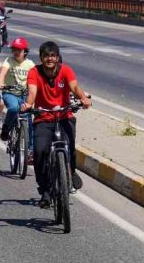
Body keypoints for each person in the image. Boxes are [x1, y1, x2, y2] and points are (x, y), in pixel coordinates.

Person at [20, 41, 92, 209]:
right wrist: (29, 104)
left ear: (58, 57)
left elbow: (74, 87)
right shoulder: (34, 72)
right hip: (43, 118)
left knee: (70, 146)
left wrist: (83, 98)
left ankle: (70, 171)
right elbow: (32, 91)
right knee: (39, 152)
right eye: (46, 56)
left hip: (64, 116)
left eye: (53, 56)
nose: (49, 59)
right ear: (41, 58)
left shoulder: (66, 70)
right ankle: (45, 191)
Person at [0, 37, 34, 141]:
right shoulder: (9, 60)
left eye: (19, 50)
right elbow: (2, 73)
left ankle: (30, 146)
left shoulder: (30, 64)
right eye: (14, 50)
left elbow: (36, 78)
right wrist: (0, 83)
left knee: (29, 118)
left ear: (25, 51)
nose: (16, 52)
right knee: (13, 108)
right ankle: (6, 128)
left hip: (24, 94)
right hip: (10, 93)